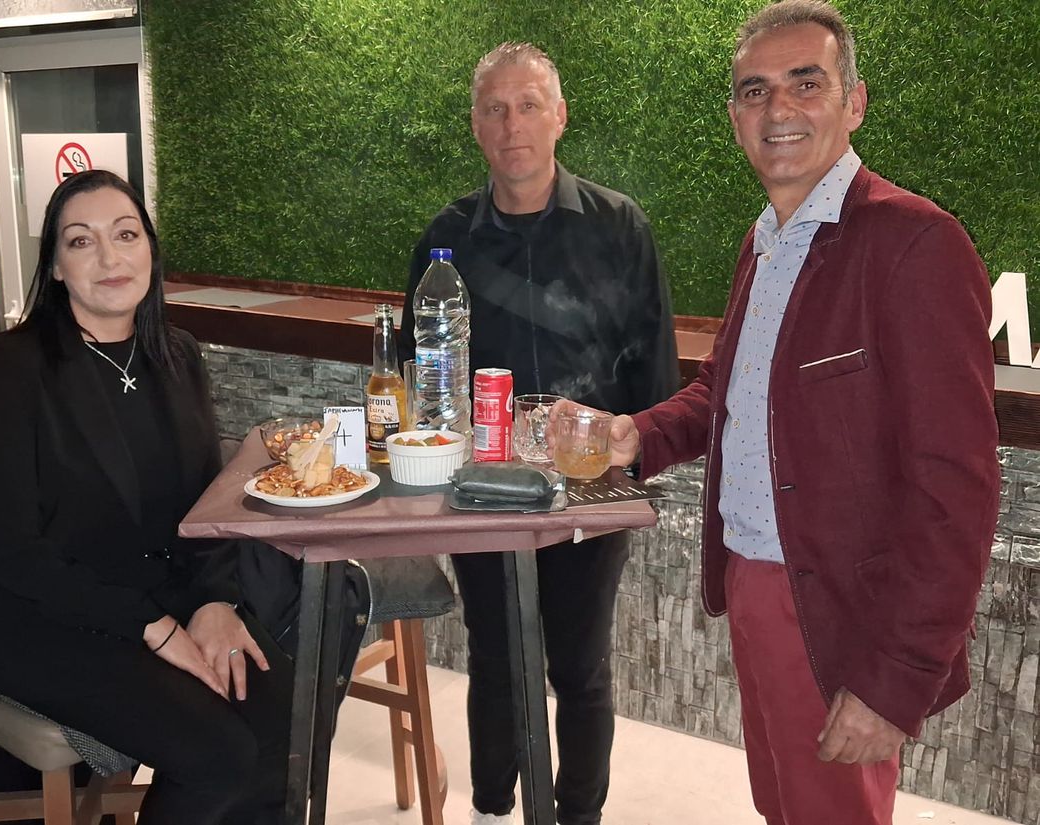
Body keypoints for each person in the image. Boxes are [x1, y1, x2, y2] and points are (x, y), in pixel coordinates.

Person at [570, 2, 999, 823]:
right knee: (784, 807)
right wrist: (637, 435)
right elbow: (726, 389)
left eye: (806, 83)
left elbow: (958, 489)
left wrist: (894, 680)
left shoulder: (914, 243)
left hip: (837, 609)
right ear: (735, 115)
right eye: (755, 90)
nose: (778, 109)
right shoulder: (765, 239)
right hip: (754, 580)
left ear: (854, 101)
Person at [399, 42, 679, 825]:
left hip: (589, 483)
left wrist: (632, 468)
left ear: (559, 116)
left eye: (528, 106)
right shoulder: (446, 240)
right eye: (495, 109)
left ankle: (578, 814)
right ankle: (492, 808)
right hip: (484, 486)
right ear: (475, 125)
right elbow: (423, 369)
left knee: (580, 667)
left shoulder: (619, 226)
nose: (511, 125)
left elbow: (655, 367)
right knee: (494, 658)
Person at [0, 169, 294, 824]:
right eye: (81, 241)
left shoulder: (177, 353)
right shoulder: (11, 367)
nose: (110, 258)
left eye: (125, 234)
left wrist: (216, 601)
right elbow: (17, 554)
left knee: (284, 717)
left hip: (166, 598)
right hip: (48, 621)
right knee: (219, 754)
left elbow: (205, 505)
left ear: (150, 250)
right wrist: (155, 627)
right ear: (56, 267)